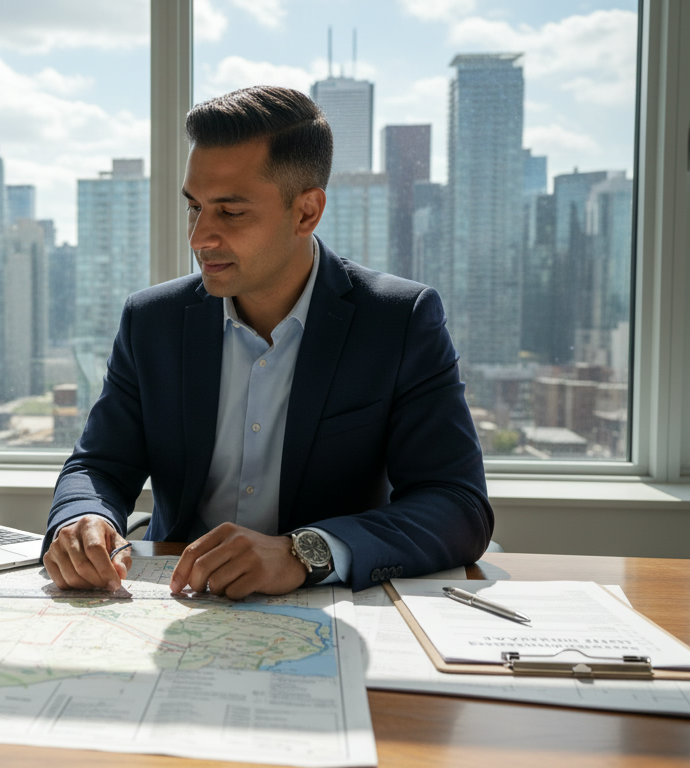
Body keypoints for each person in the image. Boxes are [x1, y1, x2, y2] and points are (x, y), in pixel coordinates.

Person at [41, 85, 493, 600]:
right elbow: (99, 465)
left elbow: (457, 504)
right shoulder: (152, 321)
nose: (199, 237)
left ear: (306, 212)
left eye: (230, 212)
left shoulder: (398, 321)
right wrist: (83, 519)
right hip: (175, 603)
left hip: (327, 606)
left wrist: (305, 552)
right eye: (194, 207)